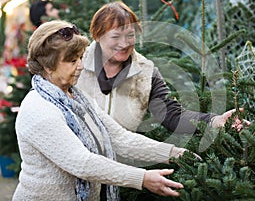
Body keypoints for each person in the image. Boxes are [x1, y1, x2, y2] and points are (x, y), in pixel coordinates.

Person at [12, 20, 188, 200]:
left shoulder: (78, 98)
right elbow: (81, 163)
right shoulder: (38, 109)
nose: (80, 65)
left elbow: (119, 138)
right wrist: (142, 178)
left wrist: (174, 154)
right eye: (72, 60)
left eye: (81, 58)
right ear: (48, 65)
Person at [76, 1, 250, 134]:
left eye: (130, 35)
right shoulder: (75, 64)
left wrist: (214, 121)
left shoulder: (146, 72)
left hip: (120, 167)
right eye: (115, 37)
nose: (124, 44)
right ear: (97, 36)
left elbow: (172, 115)